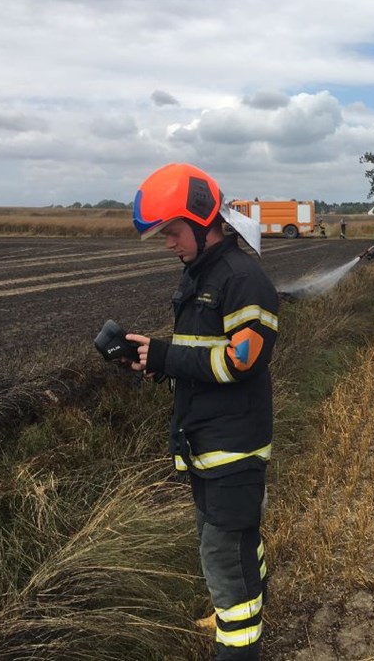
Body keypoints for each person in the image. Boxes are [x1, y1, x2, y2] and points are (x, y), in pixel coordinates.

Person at [126, 163, 279, 660]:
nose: (168, 243)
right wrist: (159, 362)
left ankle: (238, 635)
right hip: (206, 440)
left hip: (234, 446)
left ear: (200, 220)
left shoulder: (241, 278)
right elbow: (201, 353)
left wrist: (168, 357)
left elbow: (241, 360)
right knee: (231, 541)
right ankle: (247, 600)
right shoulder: (201, 274)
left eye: (172, 232)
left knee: (223, 556)